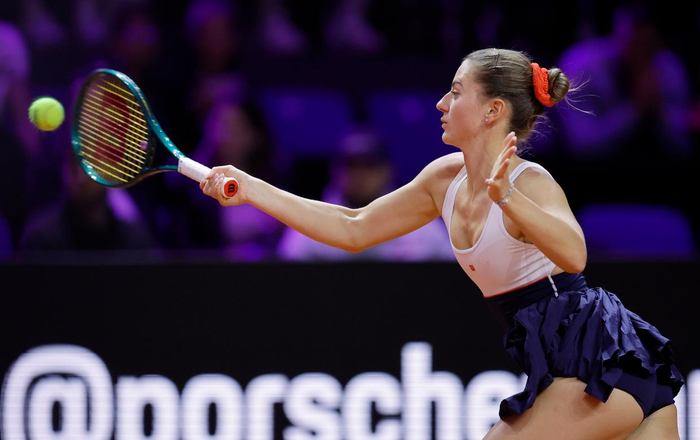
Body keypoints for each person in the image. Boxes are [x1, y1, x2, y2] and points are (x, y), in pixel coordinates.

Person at [200, 48, 683, 439]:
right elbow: (352, 226)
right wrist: (252, 189)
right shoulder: (443, 179)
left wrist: (508, 198)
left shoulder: (531, 182)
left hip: (603, 366)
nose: (440, 104)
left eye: (455, 92)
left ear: (493, 110)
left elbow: (575, 256)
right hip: (577, 370)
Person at [277, 127, 453, 262]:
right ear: (335, 171)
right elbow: (286, 275)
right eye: (351, 166)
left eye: (369, 165)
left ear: (388, 170)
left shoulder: (422, 227)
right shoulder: (309, 226)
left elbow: (451, 276)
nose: (360, 175)